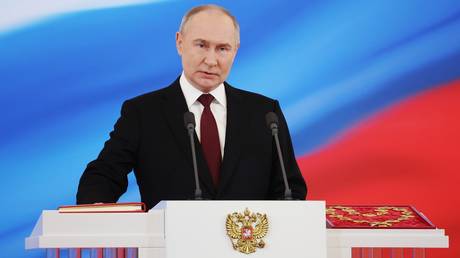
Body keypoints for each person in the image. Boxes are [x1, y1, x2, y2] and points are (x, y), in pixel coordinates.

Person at [77, 4, 306, 210]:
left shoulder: (265, 113)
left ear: (235, 51)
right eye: (201, 45)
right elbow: (104, 174)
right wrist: (95, 207)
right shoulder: (143, 113)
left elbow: (289, 188)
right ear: (180, 42)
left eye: (222, 49)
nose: (211, 60)